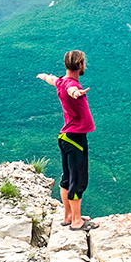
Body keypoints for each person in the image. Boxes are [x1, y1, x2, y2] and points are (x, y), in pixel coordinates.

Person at [37, 50, 96, 231]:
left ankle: (68, 215)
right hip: (76, 138)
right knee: (77, 180)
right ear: (79, 65)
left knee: (67, 178)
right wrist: (76, 93)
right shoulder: (71, 86)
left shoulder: (61, 81)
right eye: (83, 63)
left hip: (65, 137)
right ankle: (77, 221)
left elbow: (53, 80)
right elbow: (72, 91)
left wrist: (44, 76)